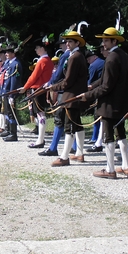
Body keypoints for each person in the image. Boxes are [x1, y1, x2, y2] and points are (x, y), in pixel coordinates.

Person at [79, 28, 128, 178]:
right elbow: (105, 79)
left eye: (106, 40)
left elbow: (107, 86)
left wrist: (87, 95)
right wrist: (92, 86)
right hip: (122, 103)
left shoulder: (111, 58)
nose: (103, 44)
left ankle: (110, 170)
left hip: (110, 104)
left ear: (114, 41)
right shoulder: (124, 56)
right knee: (121, 134)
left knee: (108, 137)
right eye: (103, 40)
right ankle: (125, 166)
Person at [50, 30, 88, 166]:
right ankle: (79, 153)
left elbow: (68, 80)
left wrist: (53, 87)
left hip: (71, 95)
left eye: (70, 41)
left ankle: (64, 157)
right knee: (77, 125)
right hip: (74, 94)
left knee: (69, 127)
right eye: (66, 41)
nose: (67, 43)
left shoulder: (75, 57)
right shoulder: (76, 55)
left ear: (77, 43)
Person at [19, 36, 54, 148]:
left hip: (38, 89)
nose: (36, 50)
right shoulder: (48, 61)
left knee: (40, 114)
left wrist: (25, 87)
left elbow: (34, 77)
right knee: (40, 114)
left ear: (43, 48)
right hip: (43, 89)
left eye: (37, 48)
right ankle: (40, 139)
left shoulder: (42, 61)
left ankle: (40, 140)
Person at [39, 36, 70, 157]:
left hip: (62, 90)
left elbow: (58, 74)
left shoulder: (65, 56)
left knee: (60, 119)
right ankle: (74, 148)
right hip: (63, 89)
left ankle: (54, 147)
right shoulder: (70, 55)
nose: (62, 46)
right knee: (69, 120)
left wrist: (50, 83)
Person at [0, 45, 22, 142]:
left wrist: (12, 95)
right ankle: (8, 130)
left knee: (11, 113)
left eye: (8, 53)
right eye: (6, 53)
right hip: (6, 91)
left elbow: (14, 81)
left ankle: (13, 133)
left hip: (10, 91)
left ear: (13, 53)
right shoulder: (9, 63)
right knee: (7, 112)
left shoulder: (15, 64)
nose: (6, 54)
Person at [84, 49, 105, 152]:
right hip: (104, 90)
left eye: (89, 59)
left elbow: (90, 81)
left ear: (94, 56)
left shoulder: (93, 65)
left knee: (97, 115)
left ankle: (95, 138)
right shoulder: (102, 62)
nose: (88, 61)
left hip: (99, 91)